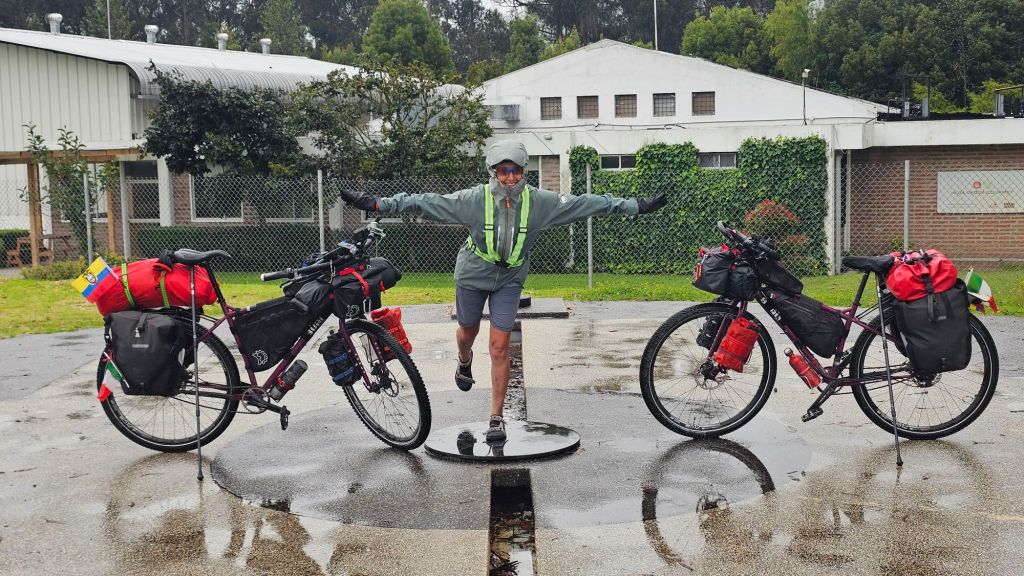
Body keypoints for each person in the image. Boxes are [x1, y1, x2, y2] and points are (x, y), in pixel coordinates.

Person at [339, 141, 667, 442]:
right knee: (467, 331)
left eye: (516, 170)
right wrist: (378, 204)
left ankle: (496, 418)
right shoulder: (474, 200)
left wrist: (635, 206)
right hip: (472, 274)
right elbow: (427, 203)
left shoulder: (540, 202)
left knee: (499, 345)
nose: (510, 177)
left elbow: (587, 203)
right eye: (503, 170)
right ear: (493, 171)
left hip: (509, 279)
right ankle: (464, 360)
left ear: (524, 171)